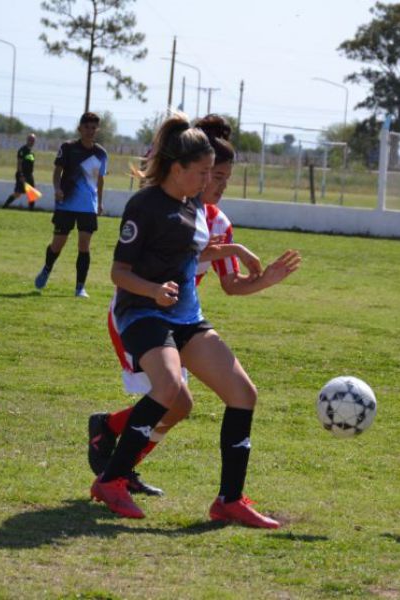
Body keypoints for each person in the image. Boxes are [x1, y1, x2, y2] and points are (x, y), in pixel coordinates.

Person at [89, 112, 290, 529]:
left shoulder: (194, 205)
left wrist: (238, 254)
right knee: (168, 390)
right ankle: (111, 480)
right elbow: (119, 273)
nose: (209, 182)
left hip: (186, 316)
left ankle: (229, 501)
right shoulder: (143, 205)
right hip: (142, 312)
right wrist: (153, 291)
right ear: (178, 169)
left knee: (243, 393)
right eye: (203, 173)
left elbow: (189, 256)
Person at [34, 112, 107, 296]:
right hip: (66, 204)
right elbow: (57, 172)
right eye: (87, 127)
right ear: (79, 128)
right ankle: (47, 268)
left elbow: (100, 180)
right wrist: (57, 188)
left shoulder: (101, 153)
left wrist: (99, 202)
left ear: (97, 130)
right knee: (58, 244)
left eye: (93, 128)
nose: (90, 131)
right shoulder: (68, 148)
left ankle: (80, 287)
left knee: (84, 245)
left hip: (88, 207)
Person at [2, 133, 38, 210]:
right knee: (18, 193)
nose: (32, 142)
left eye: (33, 140)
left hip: (29, 175)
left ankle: (31, 211)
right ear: (27, 140)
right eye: (30, 140)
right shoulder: (22, 150)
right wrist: (21, 175)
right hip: (22, 174)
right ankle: (4, 207)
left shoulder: (31, 152)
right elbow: (19, 163)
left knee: (32, 193)